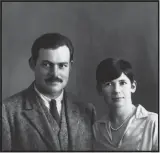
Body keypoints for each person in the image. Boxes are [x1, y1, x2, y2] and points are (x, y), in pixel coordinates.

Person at [2, 33, 96, 151]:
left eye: (62, 65)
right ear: (32, 64)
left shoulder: (86, 111)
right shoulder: (7, 112)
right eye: (47, 65)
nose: (55, 74)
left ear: (70, 67)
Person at [93, 58, 158, 151]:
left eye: (122, 83)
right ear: (99, 90)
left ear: (133, 86)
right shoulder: (97, 129)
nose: (116, 90)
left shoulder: (153, 123)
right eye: (108, 84)